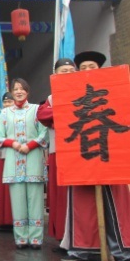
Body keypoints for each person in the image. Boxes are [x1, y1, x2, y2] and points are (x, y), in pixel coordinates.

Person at [61, 51, 130, 261]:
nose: (87, 71)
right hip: (81, 155)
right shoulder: (68, 91)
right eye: (83, 68)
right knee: (83, 204)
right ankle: (84, 249)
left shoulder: (114, 87)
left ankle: (122, 250)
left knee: (117, 204)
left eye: (92, 67)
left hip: (110, 153)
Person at [0, 78, 48, 249]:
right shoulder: (5, 113)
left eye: (21, 89)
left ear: (27, 91)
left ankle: (36, 238)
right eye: (15, 89)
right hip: (13, 159)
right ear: (11, 92)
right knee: (17, 201)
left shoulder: (36, 110)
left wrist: (30, 145)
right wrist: (14, 144)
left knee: (35, 200)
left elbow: (44, 133)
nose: (18, 91)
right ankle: (21, 238)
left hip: (33, 159)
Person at [36, 58, 76, 246]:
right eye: (63, 71)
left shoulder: (85, 92)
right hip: (58, 152)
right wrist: (65, 111)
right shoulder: (51, 98)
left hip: (80, 153)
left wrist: (59, 114)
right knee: (61, 197)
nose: (67, 74)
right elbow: (42, 115)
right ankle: (63, 236)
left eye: (70, 70)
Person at [0, 92, 15, 230]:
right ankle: (3, 220)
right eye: (5, 102)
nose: (7, 104)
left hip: (16, 154)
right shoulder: (1, 116)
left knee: (13, 188)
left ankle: (13, 220)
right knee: (3, 188)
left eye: (9, 101)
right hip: (3, 155)